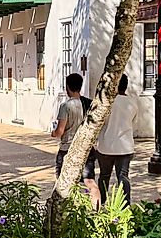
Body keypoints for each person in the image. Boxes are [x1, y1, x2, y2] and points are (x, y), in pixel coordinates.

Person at [52, 73, 100, 207]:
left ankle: (68, 209)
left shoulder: (66, 106)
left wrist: (54, 133)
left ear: (67, 87)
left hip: (67, 148)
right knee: (90, 181)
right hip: (86, 148)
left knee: (64, 181)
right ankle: (96, 209)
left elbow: (60, 131)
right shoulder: (89, 104)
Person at [96, 74, 137, 205]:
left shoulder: (106, 102)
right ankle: (125, 205)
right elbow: (133, 122)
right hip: (125, 146)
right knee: (123, 177)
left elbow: (98, 123)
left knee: (104, 176)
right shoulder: (132, 102)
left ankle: (102, 203)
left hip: (105, 145)